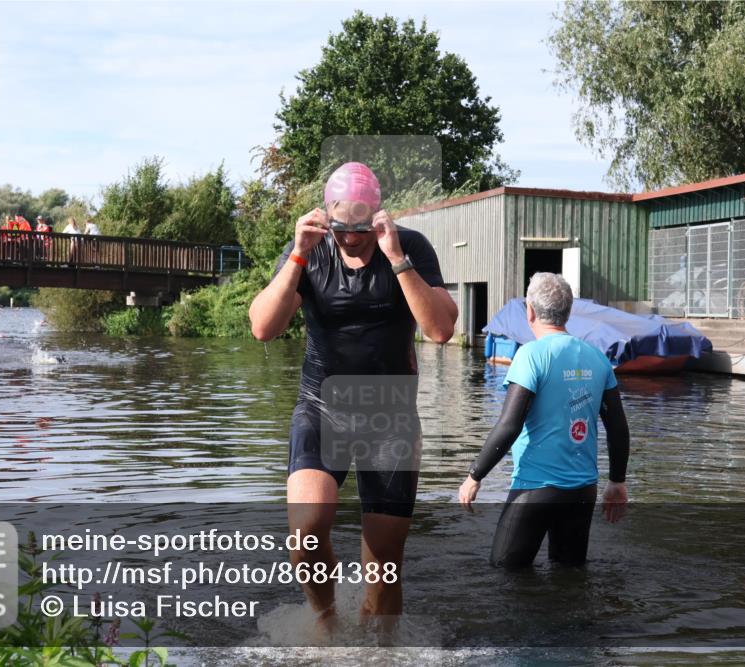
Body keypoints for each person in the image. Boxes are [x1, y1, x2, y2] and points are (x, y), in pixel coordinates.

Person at [248, 162, 457, 630]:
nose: (350, 238)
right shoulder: (311, 247)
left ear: (378, 215)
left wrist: (396, 257)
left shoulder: (409, 245)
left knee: (384, 561)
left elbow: (441, 329)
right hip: (322, 407)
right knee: (305, 533)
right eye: (341, 226)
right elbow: (263, 327)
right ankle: (326, 624)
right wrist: (297, 255)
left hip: (390, 416)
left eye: (361, 228)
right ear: (327, 215)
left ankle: (380, 646)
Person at [458, 272, 630, 569]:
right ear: (568, 312)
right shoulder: (597, 357)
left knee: (504, 575)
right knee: (569, 576)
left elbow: (509, 425)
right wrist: (617, 481)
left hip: (536, 487)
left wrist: (475, 475)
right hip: (583, 490)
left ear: (530, 311)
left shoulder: (530, 356)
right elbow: (617, 427)